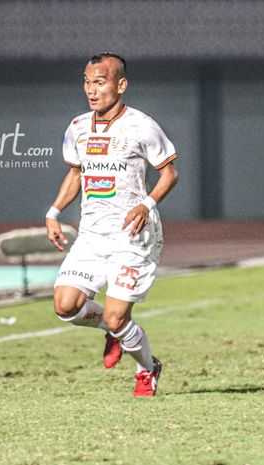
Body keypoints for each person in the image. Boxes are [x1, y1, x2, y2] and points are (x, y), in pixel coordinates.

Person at [45, 53, 179, 397]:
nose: (92, 90)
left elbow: (169, 173)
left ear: (121, 85)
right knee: (65, 307)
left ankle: (148, 369)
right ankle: (113, 330)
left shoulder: (142, 126)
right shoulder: (77, 127)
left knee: (120, 317)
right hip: (92, 235)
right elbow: (76, 173)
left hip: (132, 236)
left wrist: (146, 204)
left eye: (100, 82)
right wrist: (54, 212)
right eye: (87, 82)